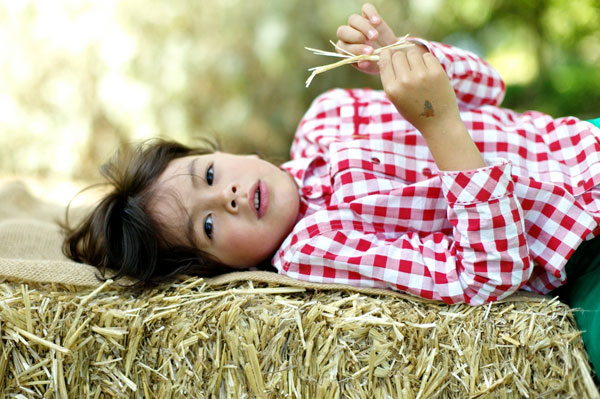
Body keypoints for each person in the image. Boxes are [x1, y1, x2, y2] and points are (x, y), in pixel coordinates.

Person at [63, 2, 600, 372]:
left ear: (227, 153)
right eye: (206, 225)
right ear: (217, 268)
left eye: (209, 174)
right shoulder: (313, 248)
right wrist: (438, 125)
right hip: (579, 252)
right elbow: (486, 276)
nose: (224, 196)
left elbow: (489, 87)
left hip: (584, 145)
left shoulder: (329, 112)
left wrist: (406, 57)